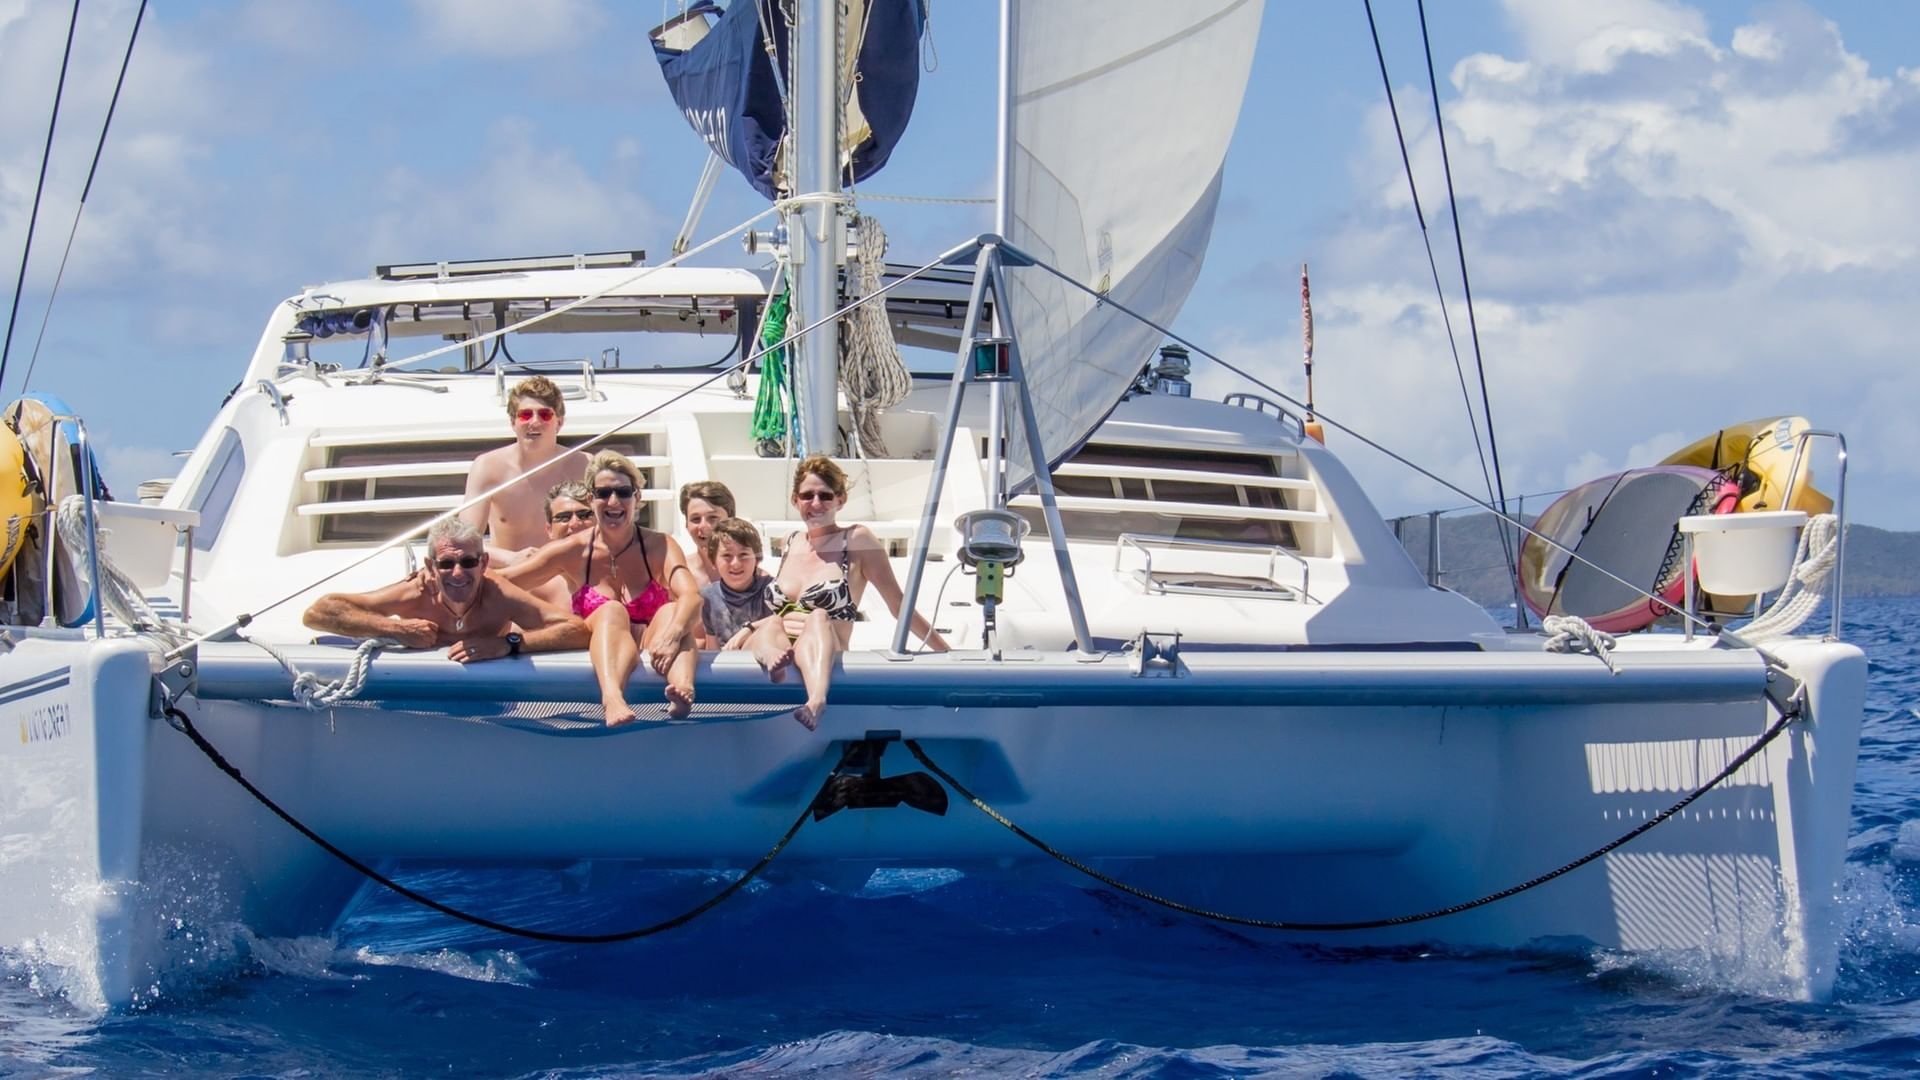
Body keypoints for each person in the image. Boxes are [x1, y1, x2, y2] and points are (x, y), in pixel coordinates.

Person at [736, 454, 948, 730]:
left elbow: (899, 606)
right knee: (772, 623)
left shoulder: (857, 540)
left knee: (818, 617)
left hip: (823, 653)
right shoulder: (790, 540)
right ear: (795, 500)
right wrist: (748, 628)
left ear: (840, 500)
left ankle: (816, 701)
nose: (815, 503)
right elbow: (781, 611)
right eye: (807, 495)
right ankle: (773, 666)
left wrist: (946, 655)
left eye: (825, 496)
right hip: (779, 651)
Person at [504, 451, 703, 725]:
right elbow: (505, 581)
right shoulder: (572, 550)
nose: (613, 501)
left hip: (654, 645)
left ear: (637, 497)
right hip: (602, 651)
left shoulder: (661, 545)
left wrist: (672, 635)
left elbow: (692, 597)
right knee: (611, 611)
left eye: (623, 492)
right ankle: (612, 697)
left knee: (673, 612)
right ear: (591, 498)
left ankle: (682, 689)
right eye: (604, 493)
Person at [302, 518, 587, 663]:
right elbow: (318, 612)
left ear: (483, 563)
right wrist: (396, 629)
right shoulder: (415, 593)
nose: (458, 573)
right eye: (447, 564)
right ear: (430, 566)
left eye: (468, 562)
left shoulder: (498, 594)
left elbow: (577, 630)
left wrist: (507, 644)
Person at [460, 376, 593, 565]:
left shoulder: (585, 465)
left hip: (568, 574)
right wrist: (511, 558)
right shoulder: (487, 467)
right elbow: (464, 541)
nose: (534, 422)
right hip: (509, 575)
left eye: (545, 415)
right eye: (525, 415)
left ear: (559, 422)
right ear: (513, 422)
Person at [699, 517, 789, 673]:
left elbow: (790, 619)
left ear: (757, 559)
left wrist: (749, 629)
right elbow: (712, 648)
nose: (736, 563)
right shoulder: (708, 597)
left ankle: (769, 656)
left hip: (766, 666)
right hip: (731, 669)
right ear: (713, 562)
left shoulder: (772, 589)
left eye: (744, 555)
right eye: (727, 556)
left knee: (772, 624)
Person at [527, 480, 596, 610]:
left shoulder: (620, 575)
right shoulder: (535, 589)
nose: (575, 524)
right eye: (564, 517)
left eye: (584, 515)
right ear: (549, 530)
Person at [678, 480, 736, 588]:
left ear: (731, 520)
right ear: (686, 524)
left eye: (713, 517)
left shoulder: (752, 576)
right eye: (696, 519)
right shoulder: (677, 575)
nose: (703, 526)